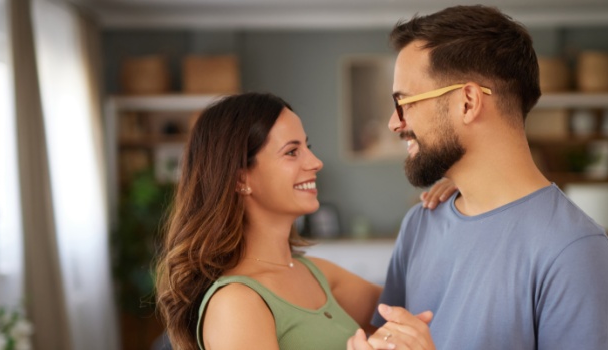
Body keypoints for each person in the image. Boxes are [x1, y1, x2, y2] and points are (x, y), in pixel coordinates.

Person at [349, 5, 608, 350]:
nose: (395, 123)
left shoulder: (575, 252)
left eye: (404, 102)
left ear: (468, 102)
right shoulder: (420, 224)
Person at [153, 92, 452, 350]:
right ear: (240, 178)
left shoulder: (316, 273)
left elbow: (432, 308)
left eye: (307, 147)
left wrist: (468, 194)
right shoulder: (235, 303)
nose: (315, 162)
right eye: (292, 152)